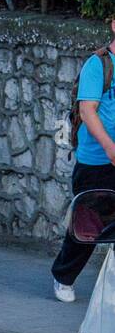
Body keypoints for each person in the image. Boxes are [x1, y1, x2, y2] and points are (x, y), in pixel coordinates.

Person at [51, 16, 115, 303]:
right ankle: (63, 276)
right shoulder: (97, 65)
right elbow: (88, 111)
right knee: (88, 227)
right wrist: (110, 148)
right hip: (96, 161)